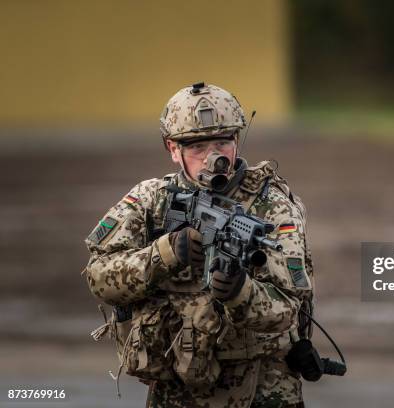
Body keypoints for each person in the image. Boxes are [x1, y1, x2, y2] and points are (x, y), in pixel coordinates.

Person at [83, 82, 314, 408]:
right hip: (174, 387)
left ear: (237, 140)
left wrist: (239, 292)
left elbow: (289, 308)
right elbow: (98, 277)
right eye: (198, 148)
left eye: (223, 142)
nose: (214, 158)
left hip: (261, 387)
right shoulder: (151, 199)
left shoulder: (272, 205)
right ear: (172, 148)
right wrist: (163, 254)